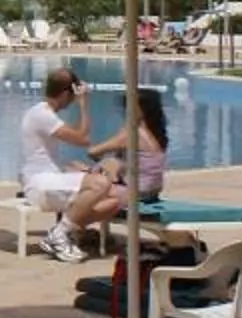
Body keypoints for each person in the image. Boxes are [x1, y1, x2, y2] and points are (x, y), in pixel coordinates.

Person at [63, 88, 170, 251]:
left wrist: (100, 165)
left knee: (75, 176)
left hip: (134, 192)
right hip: (151, 192)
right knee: (92, 173)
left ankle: (68, 230)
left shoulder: (131, 134)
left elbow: (93, 152)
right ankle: (79, 230)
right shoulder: (156, 133)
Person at [18, 67, 94, 260]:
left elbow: (42, 156)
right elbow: (83, 138)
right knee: (100, 185)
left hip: (44, 178)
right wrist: (84, 104)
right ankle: (59, 234)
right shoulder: (43, 116)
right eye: (73, 95)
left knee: (110, 194)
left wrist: (69, 167)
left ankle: (70, 231)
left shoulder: (41, 113)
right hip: (40, 184)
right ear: (67, 94)